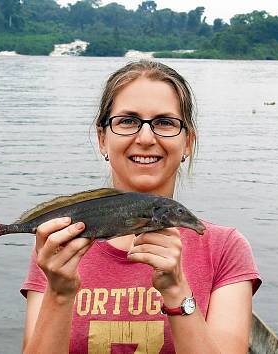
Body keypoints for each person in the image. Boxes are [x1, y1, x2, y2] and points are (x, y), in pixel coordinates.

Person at [21, 60, 261, 353]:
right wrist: (59, 293)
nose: (146, 138)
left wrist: (176, 290)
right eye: (127, 121)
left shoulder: (224, 248)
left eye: (164, 122)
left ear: (188, 143)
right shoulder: (59, 244)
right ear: (102, 139)